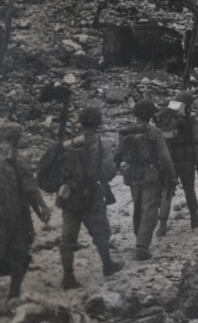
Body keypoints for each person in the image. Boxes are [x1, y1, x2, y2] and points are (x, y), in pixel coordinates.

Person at [57, 106, 123, 288]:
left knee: (68, 237)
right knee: (101, 232)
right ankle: (107, 265)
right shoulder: (101, 143)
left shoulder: (69, 142)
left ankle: (68, 276)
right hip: (91, 195)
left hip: (69, 195)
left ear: (82, 121)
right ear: (98, 122)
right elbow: (109, 172)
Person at [115, 98, 176, 260]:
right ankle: (142, 246)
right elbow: (164, 157)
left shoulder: (126, 131)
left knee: (138, 207)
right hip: (151, 173)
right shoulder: (154, 132)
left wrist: (112, 171)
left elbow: (117, 155)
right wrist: (172, 176)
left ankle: (139, 240)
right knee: (149, 209)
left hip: (132, 174)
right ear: (150, 115)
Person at [0, 120, 50, 301]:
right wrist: (42, 207)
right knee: (20, 252)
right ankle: (13, 293)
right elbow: (29, 188)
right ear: (15, 139)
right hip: (15, 215)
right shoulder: (15, 158)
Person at [156, 91, 198, 234]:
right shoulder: (190, 119)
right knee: (189, 189)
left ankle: (162, 227)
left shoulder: (163, 118)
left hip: (168, 160)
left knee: (167, 191)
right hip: (186, 159)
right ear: (187, 106)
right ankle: (194, 218)